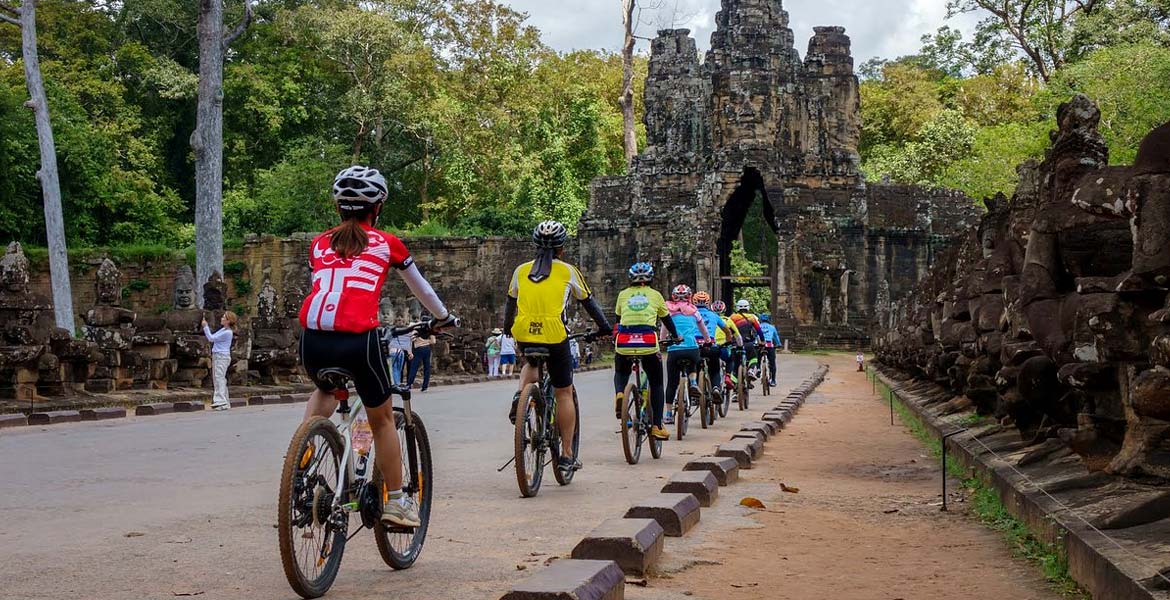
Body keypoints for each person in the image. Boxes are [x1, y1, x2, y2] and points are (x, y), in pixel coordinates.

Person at [298, 165, 458, 528]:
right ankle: (398, 502)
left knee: (324, 390)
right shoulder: (387, 243)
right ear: (378, 207)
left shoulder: (318, 243)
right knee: (382, 420)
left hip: (312, 340)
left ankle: (299, 465)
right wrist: (445, 318)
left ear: (339, 208)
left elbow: (328, 287)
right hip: (358, 340)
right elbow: (424, 291)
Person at [505, 220, 612, 476]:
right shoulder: (567, 271)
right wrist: (605, 328)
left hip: (524, 332)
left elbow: (510, 305)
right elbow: (589, 303)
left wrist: (509, 328)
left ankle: (522, 396)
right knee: (564, 393)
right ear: (561, 249)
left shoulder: (520, 270)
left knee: (530, 363)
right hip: (554, 334)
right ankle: (566, 454)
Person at [613, 262, 680, 441]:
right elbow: (666, 320)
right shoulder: (656, 295)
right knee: (656, 383)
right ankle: (657, 426)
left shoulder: (623, 295)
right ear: (651, 278)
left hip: (625, 340)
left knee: (621, 371)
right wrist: (676, 336)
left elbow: (618, 320)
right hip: (648, 341)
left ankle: (620, 393)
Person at [662, 285, 711, 425]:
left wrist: (663, 341)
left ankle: (669, 414)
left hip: (674, 350)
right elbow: (703, 329)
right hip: (691, 348)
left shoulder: (669, 312)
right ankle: (693, 382)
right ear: (690, 296)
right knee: (694, 363)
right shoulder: (694, 311)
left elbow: (664, 331)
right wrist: (707, 341)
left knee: (671, 383)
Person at [693, 292, 740, 397]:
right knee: (714, 369)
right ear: (708, 302)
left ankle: (693, 385)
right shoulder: (714, 315)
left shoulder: (690, 314)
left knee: (693, 368)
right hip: (711, 347)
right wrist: (728, 343)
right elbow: (727, 331)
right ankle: (716, 388)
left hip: (695, 347)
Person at [202, 311, 237, 411]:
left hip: (222, 357)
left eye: (223, 317)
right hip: (218, 356)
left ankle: (220, 400)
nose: (221, 318)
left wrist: (205, 327)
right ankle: (224, 401)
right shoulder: (223, 330)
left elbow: (211, 338)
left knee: (219, 378)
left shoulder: (227, 332)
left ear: (228, 321)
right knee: (219, 378)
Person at [728, 299, 764, 387]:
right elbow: (759, 331)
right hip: (748, 343)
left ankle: (735, 385)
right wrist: (762, 341)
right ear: (748, 307)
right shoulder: (752, 318)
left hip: (735, 344)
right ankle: (751, 370)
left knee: (735, 364)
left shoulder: (732, 317)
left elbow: (727, 330)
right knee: (753, 358)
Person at [382, 315, 414, 385]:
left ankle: (397, 383)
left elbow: (387, 342)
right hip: (401, 352)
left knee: (394, 369)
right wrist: (410, 352)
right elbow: (409, 342)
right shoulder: (407, 331)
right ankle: (399, 382)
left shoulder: (390, 330)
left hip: (393, 351)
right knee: (398, 369)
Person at [759, 313, 782, 387]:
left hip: (760, 344)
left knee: (757, 358)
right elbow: (776, 337)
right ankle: (773, 380)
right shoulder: (772, 327)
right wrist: (778, 344)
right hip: (769, 345)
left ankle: (758, 369)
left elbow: (755, 335)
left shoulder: (758, 326)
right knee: (772, 363)